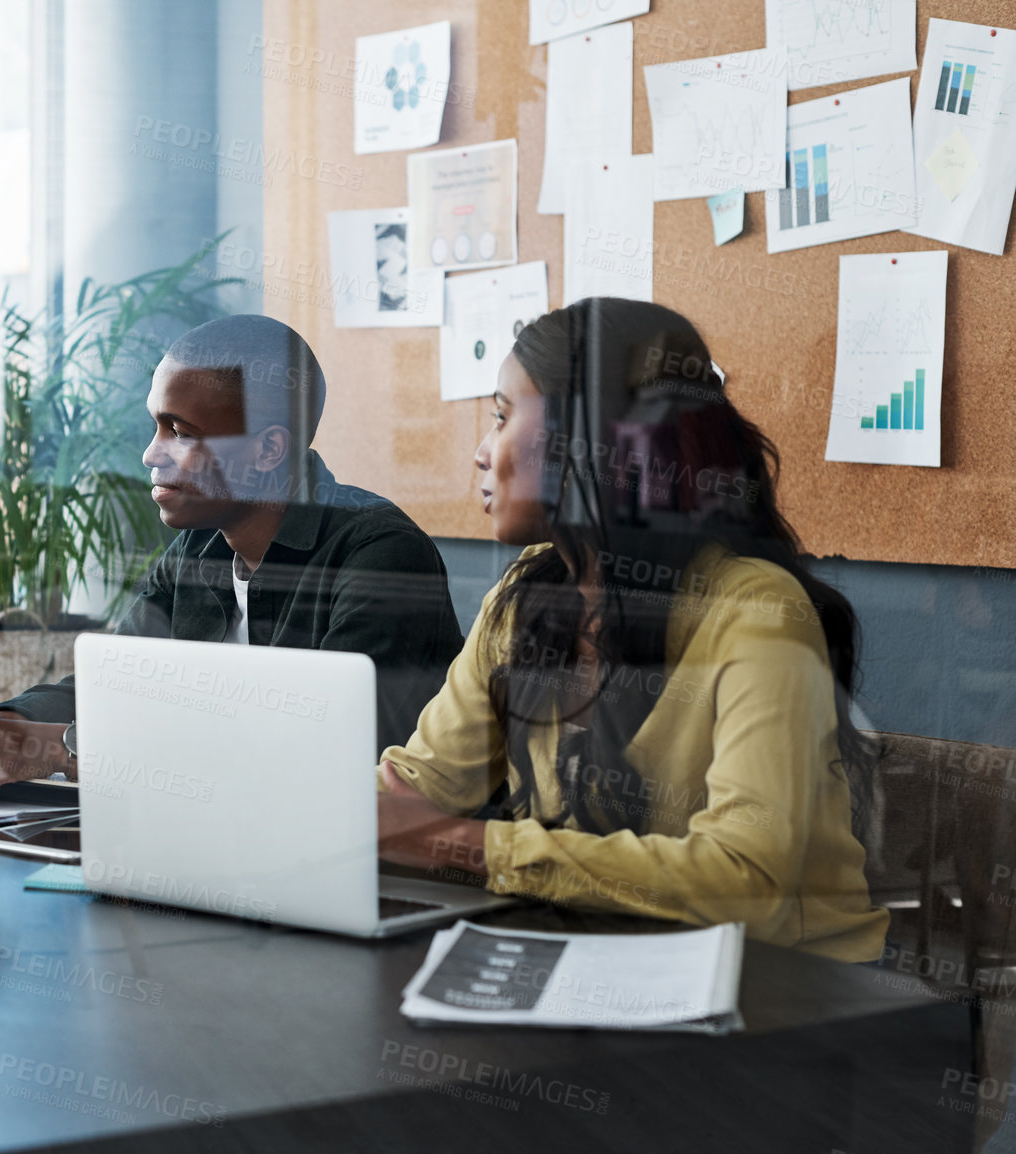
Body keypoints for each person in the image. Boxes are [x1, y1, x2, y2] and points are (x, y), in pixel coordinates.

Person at [376, 297, 888, 962]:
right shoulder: (531, 589)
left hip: (791, 993)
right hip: (608, 958)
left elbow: (745, 880)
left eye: (501, 417)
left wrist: (456, 845)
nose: (481, 451)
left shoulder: (757, 611)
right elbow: (418, 786)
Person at [0, 314, 466, 780]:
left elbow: (320, 752)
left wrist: (59, 747)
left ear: (268, 451)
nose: (151, 454)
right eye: (156, 426)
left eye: (181, 432)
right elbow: (112, 681)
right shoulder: (198, 549)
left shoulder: (380, 553)